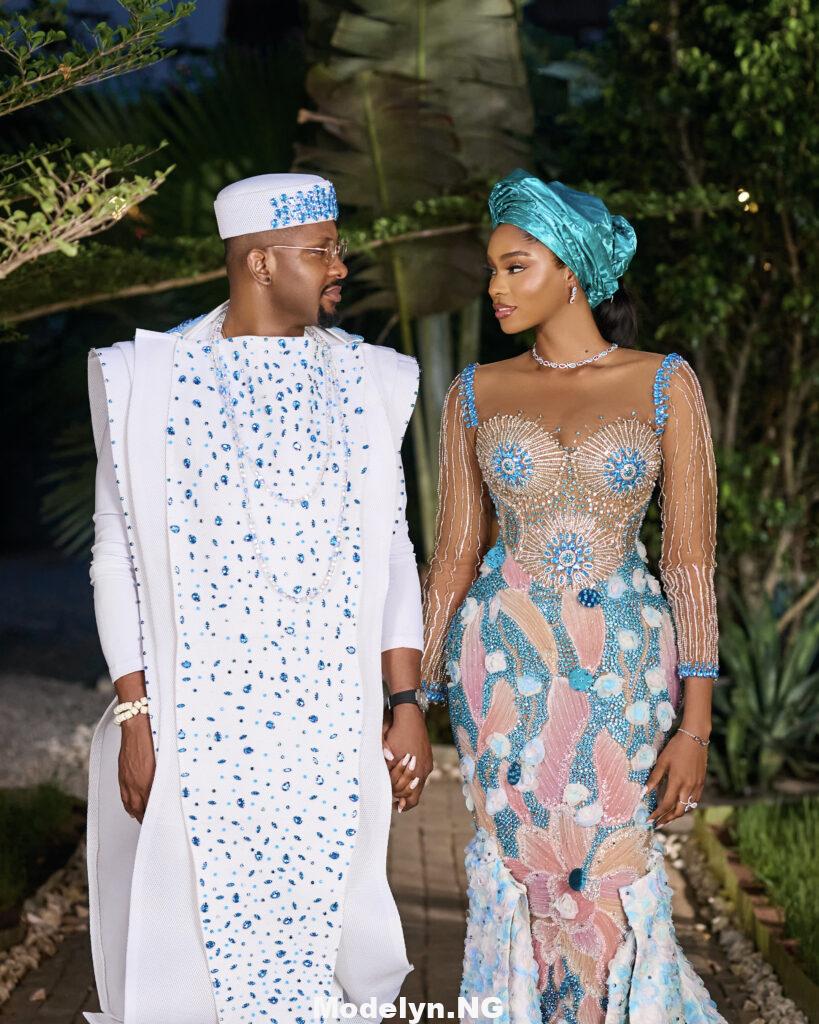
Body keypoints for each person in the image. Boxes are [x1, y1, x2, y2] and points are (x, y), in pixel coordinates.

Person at [84, 172, 433, 1024]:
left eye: (336, 249)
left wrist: (405, 703)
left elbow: (393, 551)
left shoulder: (374, 379)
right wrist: (136, 717)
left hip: (329, 727)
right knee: (191, 960)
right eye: (321, 251)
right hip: (197, 725)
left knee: (321, 952)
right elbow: (113, 556)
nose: (339, 267)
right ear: (260, 262)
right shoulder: (140, 377)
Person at [420, 168, 725, 1023]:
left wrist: (695, 724)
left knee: (610, 872)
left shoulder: (664, 382)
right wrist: (413, 696)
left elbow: (689, 561)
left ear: (572, 272)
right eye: (492, 269)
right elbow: (452, 556)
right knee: (523, 872)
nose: (496, 286)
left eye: (516, 266)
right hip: (501, 668)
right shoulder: (474, 392)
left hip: (625, 667)